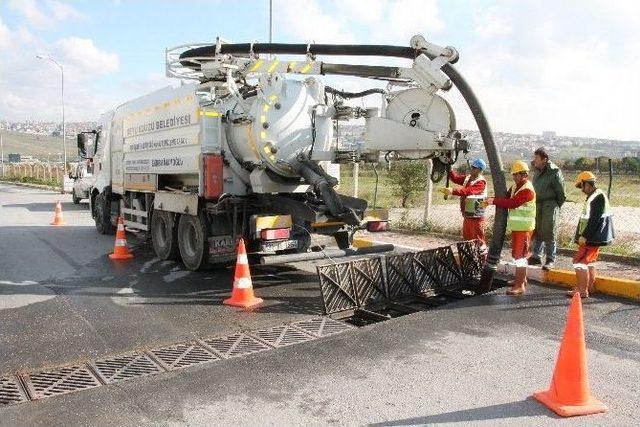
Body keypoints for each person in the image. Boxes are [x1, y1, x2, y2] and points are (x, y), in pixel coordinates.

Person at [485, 160, 536, 296]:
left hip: (524, 228)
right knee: (517, 255)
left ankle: (519, 286)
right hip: (518, 227)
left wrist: (493, 201)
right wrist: (491, 199)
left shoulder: (527, 190)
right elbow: (506, 197)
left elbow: (512, 203)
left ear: (523, 174)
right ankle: (521, 280)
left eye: (516, 175)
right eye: (513, 175)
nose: (513, 177)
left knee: (520, 257)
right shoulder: (516, 186)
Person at [569, 171, 614, 298]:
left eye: (581, 186)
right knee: (590, 262)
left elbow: (594, 219)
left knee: (579, 261)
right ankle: (590, 287)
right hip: (594, 237)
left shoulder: (596, 197)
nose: (581, 190)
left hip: (592, 237)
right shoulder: (595, 195)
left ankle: (582, 290)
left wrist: (584, 236)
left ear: (587, 184)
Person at [439, 158, 488, 254]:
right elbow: (455, 178)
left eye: (475, 168)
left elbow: (468, 191)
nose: (472, 169)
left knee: (479, 241)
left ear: (480, 170)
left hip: (477, 217)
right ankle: (471, 261)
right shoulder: (468, 178)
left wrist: (453, 191)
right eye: (472, 167)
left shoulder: (481, 182)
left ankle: (482, 262)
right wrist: (449, 169)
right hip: (468, 215)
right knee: (468, 240)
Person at [529, 147, 566, 270]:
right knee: (537, 230)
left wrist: (555, 206)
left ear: (544, 159)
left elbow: (561, 194)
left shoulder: (554, 172)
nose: (534, 160)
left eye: (536, 158)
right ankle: (536, 256)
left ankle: (550, 259)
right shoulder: (537, 170)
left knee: (549, 231)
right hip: (538, 204)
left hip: (550, 204)